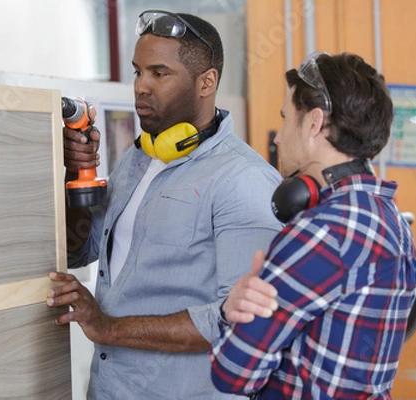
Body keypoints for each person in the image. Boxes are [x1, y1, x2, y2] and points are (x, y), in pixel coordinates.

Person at [47, 10, 283, 399]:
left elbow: (241, 321)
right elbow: (79, 252)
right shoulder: (135, 161)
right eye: (138, 72)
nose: (141, 86)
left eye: (159, 73)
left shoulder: (244, 181)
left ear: (207, 82)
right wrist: (77, 177)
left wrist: (107, 327)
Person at [210, 52, 416, 399]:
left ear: (314, 123)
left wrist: (230, 310)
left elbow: (233, 374)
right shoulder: (392, 220)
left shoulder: (321, 232)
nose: (278, 138)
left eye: (285, 118)